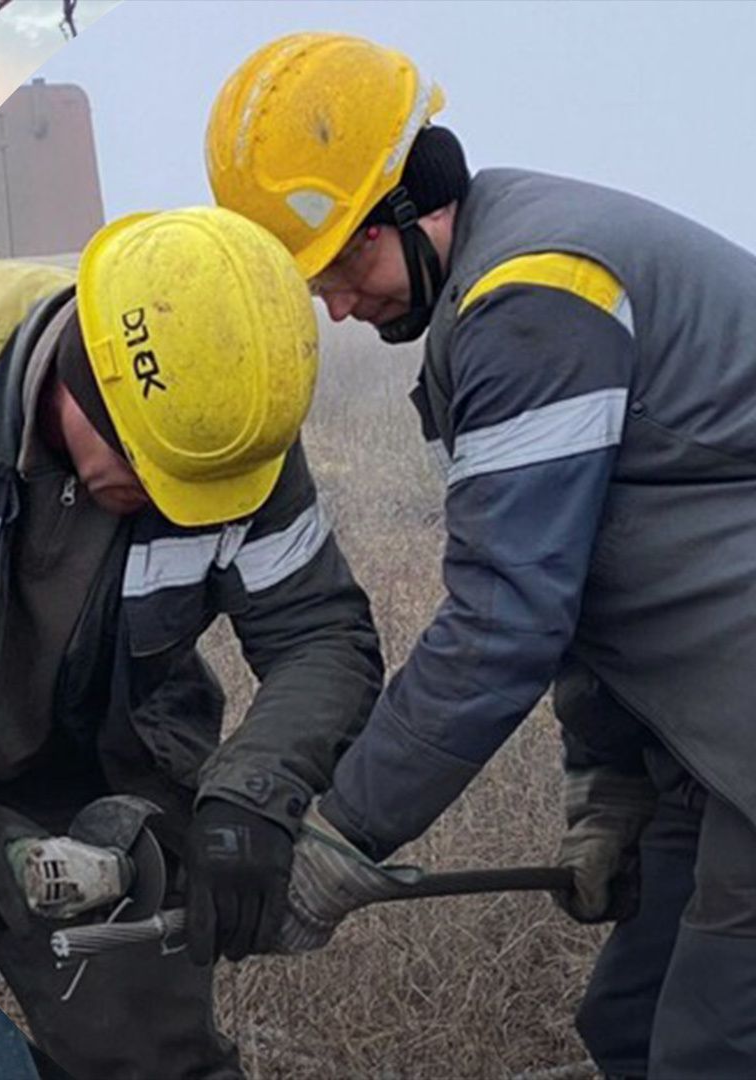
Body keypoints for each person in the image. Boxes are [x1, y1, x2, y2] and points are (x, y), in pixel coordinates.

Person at [208, 31, 756, 1077]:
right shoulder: (502, 289)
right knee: (631, 1030)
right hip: (716, 733)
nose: (336, 304)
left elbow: (505, 623)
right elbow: (594, 574)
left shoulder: (534, 299)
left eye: (346, 263)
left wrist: (343, 836)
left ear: (419, 199)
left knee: (711, 1049)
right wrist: (610, 788)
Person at [0, 206, 382, 1078]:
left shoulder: (225, 422)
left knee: (151, 1060)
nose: (178, 503)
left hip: (97, 767)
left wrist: (251, 795)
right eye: (158, 473)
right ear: (87, 378)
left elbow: (320, 635)